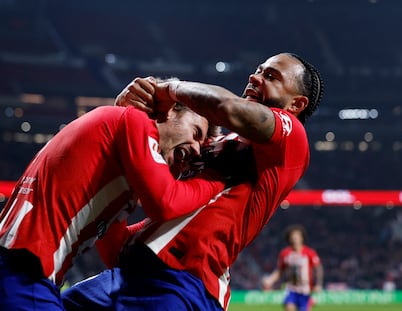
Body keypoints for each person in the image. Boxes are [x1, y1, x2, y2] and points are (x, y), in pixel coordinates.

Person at [62, 52, 324, 310]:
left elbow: (227, 107)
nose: (255, 77)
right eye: (257, 70)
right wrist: (136, 112)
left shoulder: (292, 141)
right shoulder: (207, 147)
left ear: (296, 104)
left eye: (270, 76)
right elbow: (160, 215)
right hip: (126, 274)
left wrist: (165, 89)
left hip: (185, 284)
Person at [0, 96, 228, 310]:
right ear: (171, 110)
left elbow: (114, 252)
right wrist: (216, 182)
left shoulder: (117, 175)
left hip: (21, 270)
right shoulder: (135, 120)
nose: (197, 148)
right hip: (23, 271)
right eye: (196, 132)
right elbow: (165, 203)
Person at [262, 224, 323, 311]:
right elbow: (280, 271)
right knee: (289, 308)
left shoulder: (309, 253)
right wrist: (270, 280)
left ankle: (310, 301)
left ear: (302, 238)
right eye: (292, 236)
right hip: (291, 289)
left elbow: (318, 268)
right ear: (289, 238)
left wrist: (318, 284)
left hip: (305, 291)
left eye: (297, 236)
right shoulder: (285, 253)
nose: (294, 238)